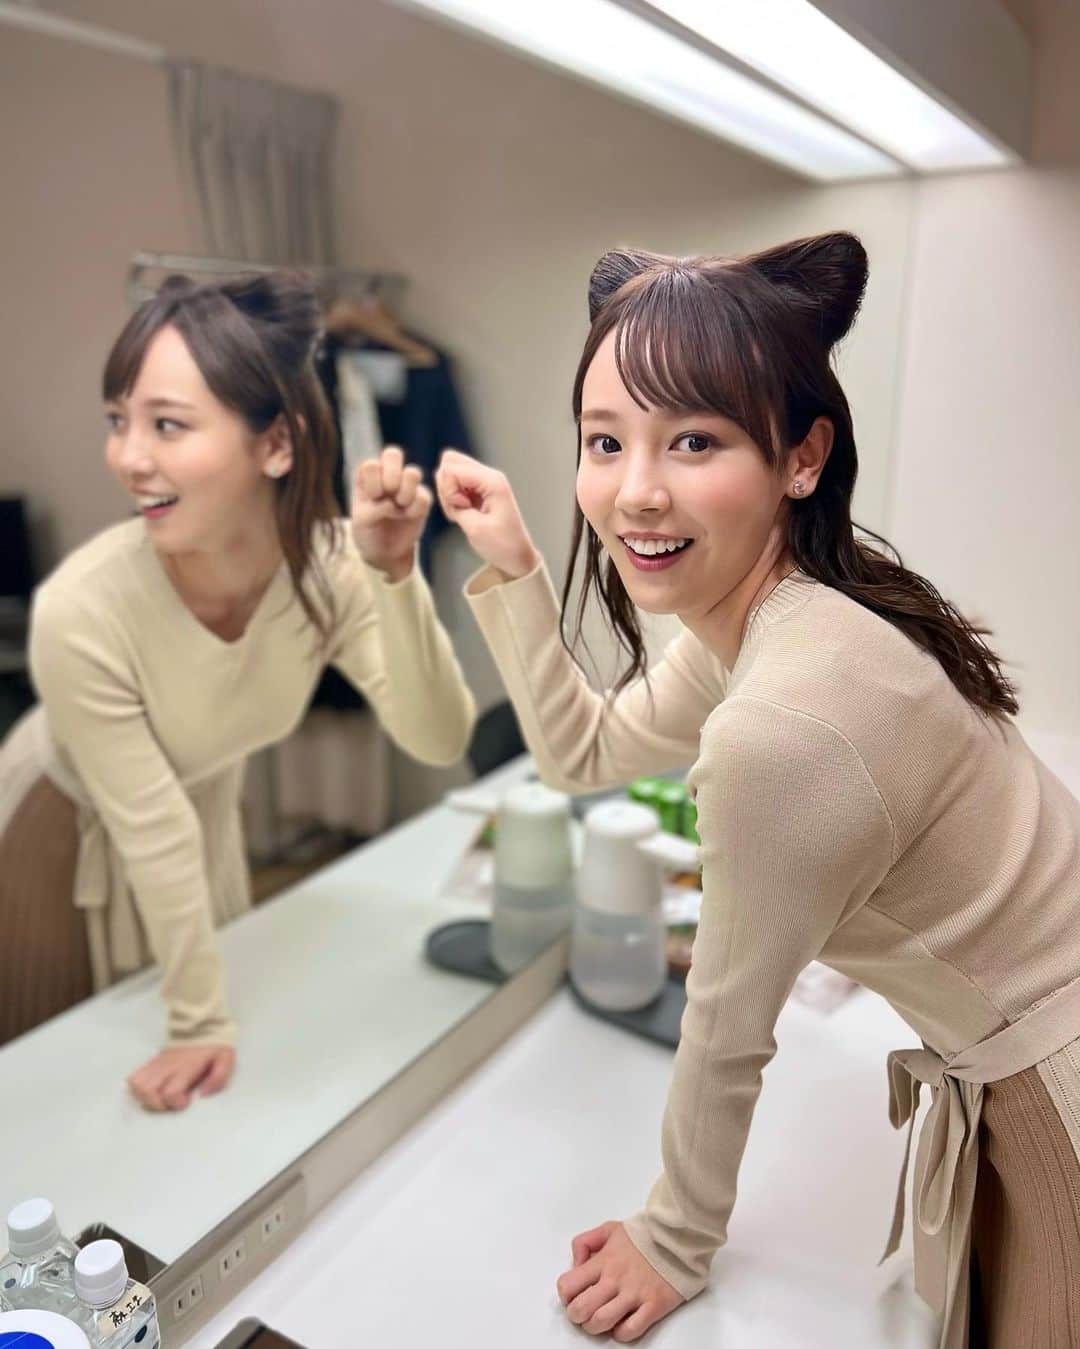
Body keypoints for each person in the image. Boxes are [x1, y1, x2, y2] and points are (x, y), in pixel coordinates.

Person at [435, 232, 1080, 1347]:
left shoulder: (783, 718)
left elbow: (727, 1028)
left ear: (801, 456)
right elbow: (587, 751)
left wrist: (673, 1237)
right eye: (605, 440)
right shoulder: (787, 615)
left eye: (695, 439)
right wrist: (515, 564)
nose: (637, 491)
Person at [0, 271, 476, 1111]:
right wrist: (198, 1022)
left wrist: (395, 577)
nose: (129, 457)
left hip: (198, 819)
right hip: (61, 835)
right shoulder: (82, 607)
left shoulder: (330, 566)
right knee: (62, 1098)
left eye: (167, 424)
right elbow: (150, 826)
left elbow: (438, 736)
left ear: (277, 444)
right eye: (118, 420)